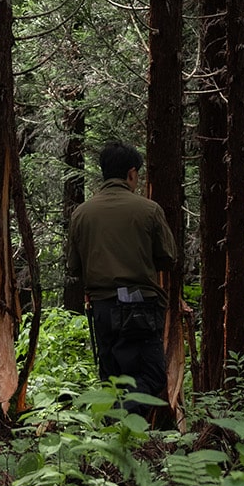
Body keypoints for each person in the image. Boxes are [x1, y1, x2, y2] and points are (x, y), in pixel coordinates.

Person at [65, 140, 177, 418]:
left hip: (102, 308)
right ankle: (122, 420)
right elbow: (169, 257)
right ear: (131, 173)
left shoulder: (82, 214)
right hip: (141, 306)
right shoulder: (148, 210)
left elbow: (74, 267)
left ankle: (117, 439)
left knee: (112, 377)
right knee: (152, 375)